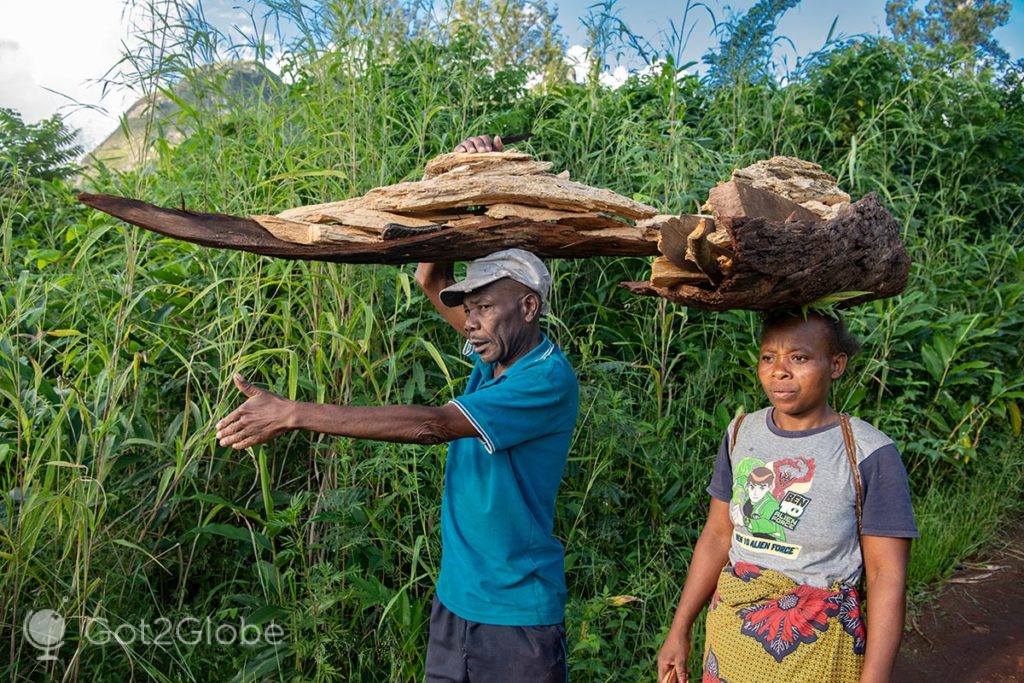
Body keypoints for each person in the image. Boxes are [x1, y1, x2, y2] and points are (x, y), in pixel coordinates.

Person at [216, 135, 578, 683]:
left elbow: (434, 425)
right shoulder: (495, 357)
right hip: (457, 602)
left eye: (483, 307)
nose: (471, 322)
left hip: (516, 617)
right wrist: (456, 181)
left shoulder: (544, 378)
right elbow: (431, 278)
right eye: (468, 309)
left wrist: (292, 412)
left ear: (529, 307)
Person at [657, 309, 918, 683]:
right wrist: (679, 628)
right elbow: (717, 535)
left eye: (799, 358)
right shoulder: (740, 433)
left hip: (817, 644)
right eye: (768, 357)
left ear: (836, 364)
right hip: (731, 639)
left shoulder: (868, 452)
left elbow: (885, 576)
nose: (780, 371)